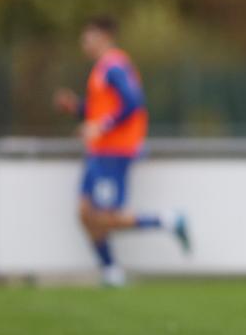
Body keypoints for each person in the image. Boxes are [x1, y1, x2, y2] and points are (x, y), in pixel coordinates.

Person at [53, 16, 190, 287]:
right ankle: (111, 271)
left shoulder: (115, 66)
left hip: (114, 151)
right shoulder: (101, 70)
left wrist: (100, 128)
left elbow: (133, 102)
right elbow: (100, 111)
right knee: (84, 213)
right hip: (99, 151)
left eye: (88, 36)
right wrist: (77, 108)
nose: (84, 42)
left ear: (104, 37)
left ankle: (168, 221)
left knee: (106, 216)